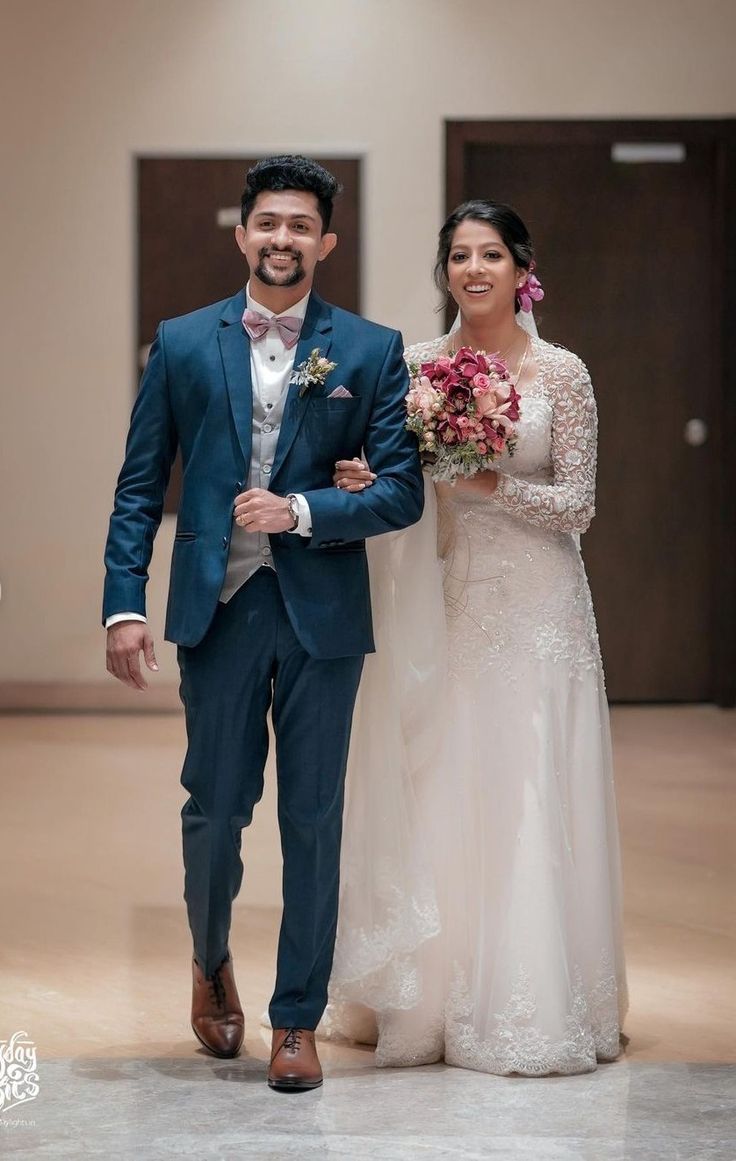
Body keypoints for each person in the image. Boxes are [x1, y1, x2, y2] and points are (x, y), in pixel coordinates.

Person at [102, 155, 424, 1092]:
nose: (284, 239)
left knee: (312, 817)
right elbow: (137, 486)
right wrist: (126, 601)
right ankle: (209, 958)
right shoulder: (183, 340)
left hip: (323, 616)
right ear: (243, 235)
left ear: (326, 240)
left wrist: (307, 510)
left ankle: (294, 1019)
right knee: (213, 808)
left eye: (301, 226)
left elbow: (400, 490)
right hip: (220, 607)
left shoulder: (368, 349)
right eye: (268, 224)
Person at [328, 200, 628, 1075]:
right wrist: (372, 479)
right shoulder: (415, 366)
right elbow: (400, 484)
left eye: (490, 254)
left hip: (538, 610)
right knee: (443, 781)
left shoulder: (562, 374)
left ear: (521, 268)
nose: (473, 269)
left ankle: (529, 999)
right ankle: (429, 1001)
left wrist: (486, 482)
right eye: (458, 255)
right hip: (445, 603)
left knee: (527, 785)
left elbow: (578, 505)